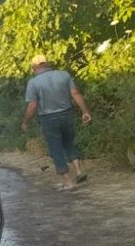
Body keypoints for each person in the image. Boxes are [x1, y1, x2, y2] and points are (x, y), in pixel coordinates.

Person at [20, 54, 92, 191]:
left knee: (56, 149)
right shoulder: (64, 75)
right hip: (67, 115)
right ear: (48, 64)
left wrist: (25, 122)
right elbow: (75, 94)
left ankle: (68, 183)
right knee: (68, 142)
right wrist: (85, 112)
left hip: (49, 119)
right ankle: (79, 171)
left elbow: (33, 106)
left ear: (33, 68)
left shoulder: (34, 83)